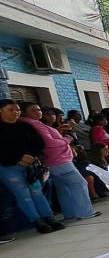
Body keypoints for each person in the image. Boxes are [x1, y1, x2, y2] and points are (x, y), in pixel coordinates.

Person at [19, 102, 100, 221]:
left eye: (38, 109)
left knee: (63, 188)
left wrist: (57, 131)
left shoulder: (30, 124)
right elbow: (49, 142)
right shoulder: (35, 124)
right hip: (59, 159)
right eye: (33, 110)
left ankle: (70, 213)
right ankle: (85, 212)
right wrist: (67, 139)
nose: (38, 112)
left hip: (52, 160)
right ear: (25, 112)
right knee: (79, 184)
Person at [0, 100, 64, 233]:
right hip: (9, 167)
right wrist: (19, 158)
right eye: (10, 109)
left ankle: (48, 217)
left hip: (30, 165)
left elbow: (38, 142)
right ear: (1, 110)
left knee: (37, 191)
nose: (15, 112)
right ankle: (36, 220)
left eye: (17, 109)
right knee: (22, 194)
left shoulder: (24, 125)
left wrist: (32, 155)